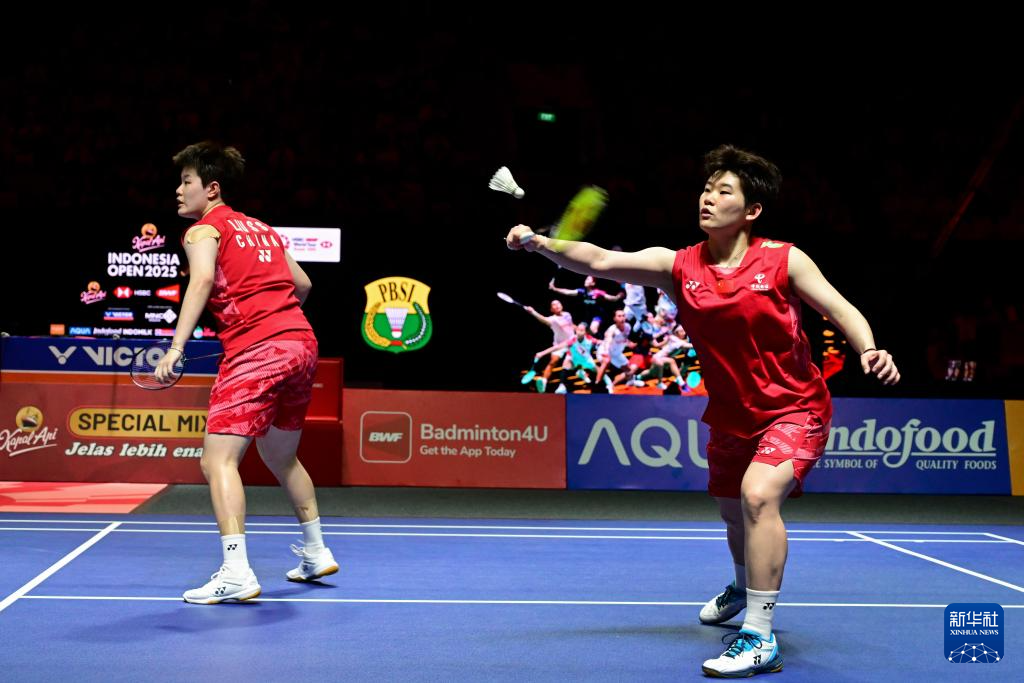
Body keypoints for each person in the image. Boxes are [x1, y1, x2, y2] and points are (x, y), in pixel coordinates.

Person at [506, 144, 899, 677]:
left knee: (758, 496)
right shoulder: (678, 266)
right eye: (706, 190)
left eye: (723, 191)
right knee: (732, 512)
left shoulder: (785, 260)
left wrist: (869, 348)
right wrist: (539, 243)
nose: (707, 199)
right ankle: (742, 584)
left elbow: (840, 308)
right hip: (733, 414)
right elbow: (598, 260)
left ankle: (759, 635)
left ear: (752, 209)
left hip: (795, 407)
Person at [155, 141, 338, 604]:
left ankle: (236, 571)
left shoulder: (203, 230)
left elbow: (201, 281)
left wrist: (176, 347)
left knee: (217, 461)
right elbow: (303, 283)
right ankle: (316, 552)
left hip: (257, 351)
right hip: (302, 344)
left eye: (187, 181)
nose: (179, 190)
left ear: (212, 188)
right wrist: (277, 322)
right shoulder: (262, 229)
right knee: (281, 456)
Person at [518, 299, 575, 393]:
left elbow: (571, 325)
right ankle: (544, 381)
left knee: (570, 362)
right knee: (553, 362)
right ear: (551, 309)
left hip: (572, 342)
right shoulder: (552, 319)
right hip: (558, 343)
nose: (557, 305)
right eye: (554, 305)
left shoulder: (567, 314)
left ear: (562, 305)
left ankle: (563, 385)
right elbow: (543, 319)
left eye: (558, 303)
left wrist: (580, 331)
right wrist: (533, 312)